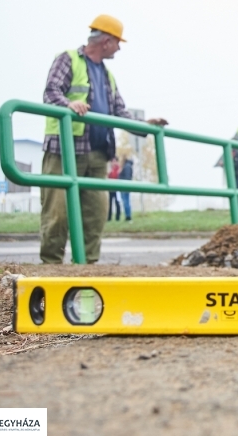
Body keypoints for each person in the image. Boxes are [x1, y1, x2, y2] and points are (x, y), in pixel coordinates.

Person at [40, 14, 167, 264]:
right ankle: (51, 264)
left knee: (95, 212)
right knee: (58, 211)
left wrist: (145, 126)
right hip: (65, 149)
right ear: (107, 41)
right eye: (118, 43)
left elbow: (120, 112)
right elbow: (51, 92)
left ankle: (88, 264)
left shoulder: (107, 75)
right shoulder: (69, 59)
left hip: (98, 153)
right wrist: (70, 104)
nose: (119, 49)